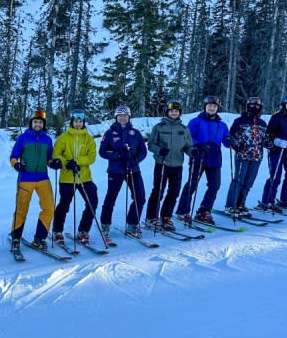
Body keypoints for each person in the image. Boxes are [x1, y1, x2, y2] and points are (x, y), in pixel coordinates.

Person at [175, 95, 231, 225]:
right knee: (192, 184)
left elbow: (226, 141)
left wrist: (230, 140)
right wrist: (198, 144)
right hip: (198, 156)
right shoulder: (196, 121)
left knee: (214, 186)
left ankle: (204, 211)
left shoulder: (222, 125)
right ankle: (182, 211)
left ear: (217, 108)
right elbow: (187, 138)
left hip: (215, 158)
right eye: (210, 106)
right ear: (205, 107)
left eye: (214, 106)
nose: (212, 108)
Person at [9, 110, 59, 252]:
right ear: (31, 123)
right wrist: (16, 165)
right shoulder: (23, 138)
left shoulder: (47, 139)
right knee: (21, 209)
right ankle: (15, 238)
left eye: (40, 122)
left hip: (43, 178)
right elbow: (14, 156)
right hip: (25, 179)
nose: (38, 124)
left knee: (49, 208)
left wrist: (53, 163)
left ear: (43, 124)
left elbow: (49, 158)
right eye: (35, 122)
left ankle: (40, 238)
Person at [98, 105, 148, 238]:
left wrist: (135, 160)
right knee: (111, 198)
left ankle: (132, 223)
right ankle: (105, 224)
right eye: (120, 115)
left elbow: (143, 151)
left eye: (125, 115)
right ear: (116, 117)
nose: (122, 117)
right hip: (116, 170)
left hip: (133, 169)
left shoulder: (135, 133)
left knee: (140, 197)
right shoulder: (110, 133)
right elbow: (102, 152)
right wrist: (118, 155)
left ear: (129, 117)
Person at [145, 100, 193, 231]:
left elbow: (188, 145)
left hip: (177, 164)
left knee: (174, 192)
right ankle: (151, 217)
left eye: (176, 111)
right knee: (158, 191)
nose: (174, 113)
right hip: (162, 163)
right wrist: (159, 150)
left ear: (179, 113)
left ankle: (166, 216)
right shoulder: (159, 127)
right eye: (172, 111)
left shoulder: (184, 129)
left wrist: (192, 152)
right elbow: (151, 144)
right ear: (167, 112)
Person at [51, 109, 98, 244]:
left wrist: (77, 161)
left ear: (83, 123)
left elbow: (91, 157)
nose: (78, 124)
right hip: (67, 177)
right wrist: (66, 163)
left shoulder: (88, 138)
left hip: (84, 177)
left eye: (80, 121)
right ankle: (57, 231)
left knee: (92, 202)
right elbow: (56, 153)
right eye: (76, 121)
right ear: (71, 122)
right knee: (64, 204)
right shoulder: (63, 137)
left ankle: (83, 230)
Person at [224, 97, 270, 216]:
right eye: (252, 105)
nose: (255, 108)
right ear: (247, 106)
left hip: (257, 157)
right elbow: (230, 137)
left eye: (257, 106)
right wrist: (236, 146)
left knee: (248, 182)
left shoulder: (262, 123)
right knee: (238, 181)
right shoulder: (239, 121)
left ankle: (240, 204)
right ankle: (230, 205)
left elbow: (265, 139)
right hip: (242, 156)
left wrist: (269, 144)